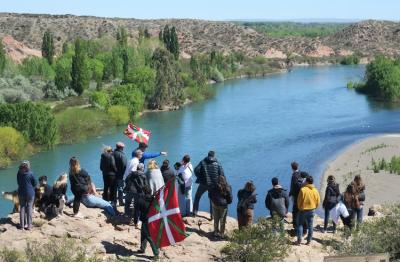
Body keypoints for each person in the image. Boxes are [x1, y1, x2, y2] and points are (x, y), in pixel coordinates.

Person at [193, 151, 225, 218]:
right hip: (214, 185)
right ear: (214, 156)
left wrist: (200, 177)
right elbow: (222, 175)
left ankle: (195, 212)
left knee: (197, 197)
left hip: (204, 183)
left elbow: (196, 170)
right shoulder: (218, 164)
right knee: (212, 199)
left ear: (208, 155)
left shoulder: (203, 162)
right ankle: (212, 216)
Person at [295, 175, 320, 245]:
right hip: (312, 210)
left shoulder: (303, 190)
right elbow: (318, 201)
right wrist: (315, 207)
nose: (304, 181)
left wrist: (300, 208)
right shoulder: (315, 190)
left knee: (300, 225)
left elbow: (299, 201)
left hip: (303, 210)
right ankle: (309, 241)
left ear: (307, 182)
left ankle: (299, 241)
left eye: (305, 181)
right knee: (310, 225)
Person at [137, 185, 159, 258]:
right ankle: (142, 248)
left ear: (143, 192)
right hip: (152, 219)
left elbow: (136, 212)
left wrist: (135, 221)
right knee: (143, 234)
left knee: (149, 236)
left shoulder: (140, 200)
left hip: (145, 220)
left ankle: (156, 254)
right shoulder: (154, 200)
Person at [17, 160, 37, 230]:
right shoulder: (31, 173)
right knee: (29, 208)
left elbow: (18, 183)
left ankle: (22, 226)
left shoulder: (18, 173)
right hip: (30, 193)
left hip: (21, 192)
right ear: (28, 166)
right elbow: (35, 183)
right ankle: (29, 226)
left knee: (22, 208)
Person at [114, 142, 127, 206]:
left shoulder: (112, 153)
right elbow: (124, 165)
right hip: (120, 175)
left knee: (113, 188)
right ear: (122, 148)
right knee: (120, 189)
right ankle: (121, 202)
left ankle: (114, 202)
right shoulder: (122, 155)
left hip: (112, 175)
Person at [289, 161, 301, 229]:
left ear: (292, 168)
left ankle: (295, 224)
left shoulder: (294, 176)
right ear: (298, 166)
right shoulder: (300, 173)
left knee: (295, 209)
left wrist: (291, 193)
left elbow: (293, 186)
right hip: (301, 194)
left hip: (296, 195)